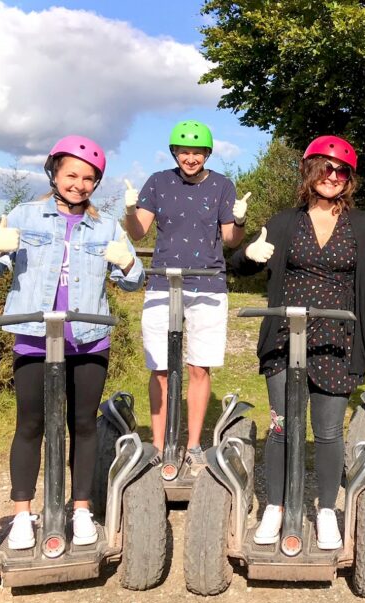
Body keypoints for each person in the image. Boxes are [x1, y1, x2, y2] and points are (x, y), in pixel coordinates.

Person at [229, 135, 365, 549]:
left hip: (337, 338)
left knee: (328, 432)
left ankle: (326, 509)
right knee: (281, 428)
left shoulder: (363, 225)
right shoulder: (284, 221)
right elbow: (238, 266)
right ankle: (275, 506)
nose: (332, 176)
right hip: (285, 336)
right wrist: (249, 255)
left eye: (340, 170)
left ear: (349, 179)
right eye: (324, 169)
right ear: (310, 172)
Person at [0, 135, 143, 550]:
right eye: (72, 175)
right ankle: (23, 514)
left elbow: (132, 281)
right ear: (55, 173)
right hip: (34, 338)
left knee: (83, 425)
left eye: (88, 179)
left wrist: (129, 263)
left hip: (88, 341)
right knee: (30, 425)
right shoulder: (25, 216)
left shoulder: (105, 226)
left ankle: (81, 509)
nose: (79, 184)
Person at [124, 120, 248, 468]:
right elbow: (138, 233)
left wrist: (239, 221)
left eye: (196, 152)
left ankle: (193, 444)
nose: (190, 158)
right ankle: (161, 445)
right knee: (160, 368)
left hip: (207, 282)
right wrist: (130, 211)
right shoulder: (159, 182)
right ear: (174, 152)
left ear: (207, 154)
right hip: (164, 281)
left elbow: (230, 240)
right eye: (184, 151)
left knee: (198, 367)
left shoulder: (223, 186)